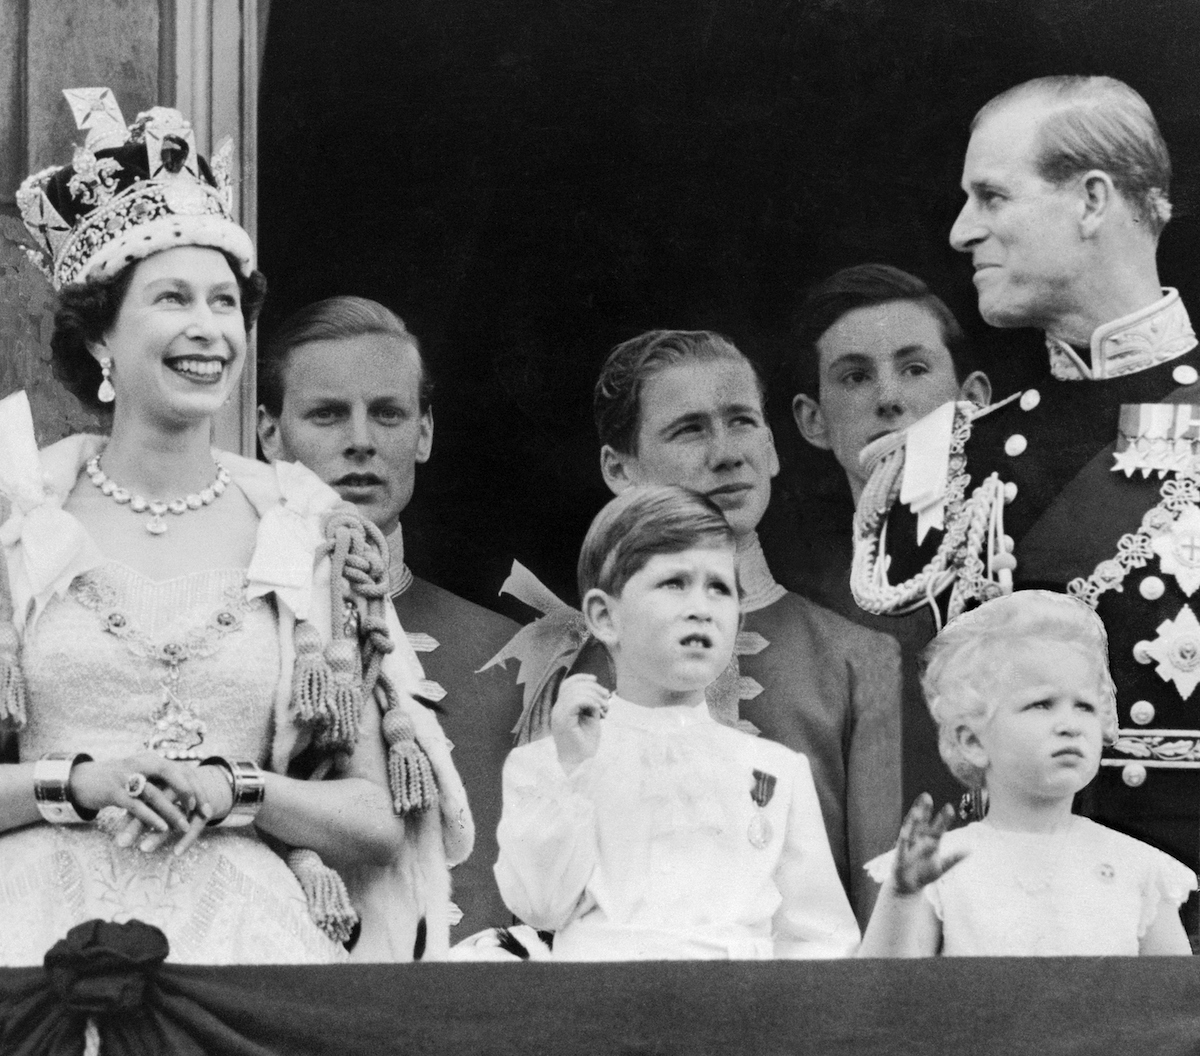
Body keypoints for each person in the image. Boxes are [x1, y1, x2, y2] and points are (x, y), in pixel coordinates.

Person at [0, 89, 471, 965]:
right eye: (173, 298)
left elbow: (373, 820)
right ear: (101, 334)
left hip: (245, 944)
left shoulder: (306, 533)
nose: (208, 329)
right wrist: (80, 783)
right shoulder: (19, 523)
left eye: (226, 304)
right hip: (29, 940)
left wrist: (234, 789)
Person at [848, 75, 1200, 929]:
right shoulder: (948, 456)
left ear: (1091, 200)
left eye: (991, 196)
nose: (962, 230)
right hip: (1009, 924)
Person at [496, 328, 902, 925]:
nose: (726, 453)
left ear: (771, 446)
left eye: (741, 422)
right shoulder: (565, 667)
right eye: (689, 430)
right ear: (619, 468)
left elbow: (875, 909)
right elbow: (539, 896)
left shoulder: (856, 658)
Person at [494, 485, 860, 959]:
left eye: (719, 588)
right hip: (601, 1010)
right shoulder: (547, 767)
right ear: (606, 617)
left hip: (740, 1014)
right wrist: (574, 774)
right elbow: (540, 907)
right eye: (674, 583)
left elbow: (820, 938)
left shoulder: (774, 769)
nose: (701, 608)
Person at [257, 296, 523, 940]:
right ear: (269, 433)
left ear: (424, 432)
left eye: (388, 413)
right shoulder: (241, 635)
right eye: (326, 414)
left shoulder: (512, 652)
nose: (361, 441)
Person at [859, 591, 1195, 956]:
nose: (1070, 725)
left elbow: (1173, 1002)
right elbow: (885, 992)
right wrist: (902, 897)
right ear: (972, 740)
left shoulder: (1139, 868)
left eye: (1084, 706)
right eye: (1041, 704)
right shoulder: (942, 867)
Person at [780, 264, 991, 811]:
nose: (889, 399)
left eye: (915, 368)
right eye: (855, 377)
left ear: (975, 397)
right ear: (812, 421)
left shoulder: (1022, 553)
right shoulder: (797, 600)